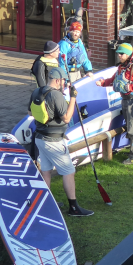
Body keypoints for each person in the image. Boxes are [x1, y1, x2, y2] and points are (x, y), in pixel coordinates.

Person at [28, 66, 93, 217]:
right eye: (63, 81)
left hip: (39, 138)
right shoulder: (56, 95)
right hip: (54, 141)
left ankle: (46, 203)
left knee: (46, 170)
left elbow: (30, 112)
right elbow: (67, 118)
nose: (64, 83)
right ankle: (74, 208)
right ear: (58, 80)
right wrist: (73, 98)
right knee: (69, 171)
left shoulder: (37, 91)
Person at [96, 43, 133, 165]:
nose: (119, 56)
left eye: (122, 54)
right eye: (118, 54)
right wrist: (103, 83)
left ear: (129, 54)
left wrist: (132, 87)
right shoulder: (122, 67)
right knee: (131, 126)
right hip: (126, 100)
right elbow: (114, 80)